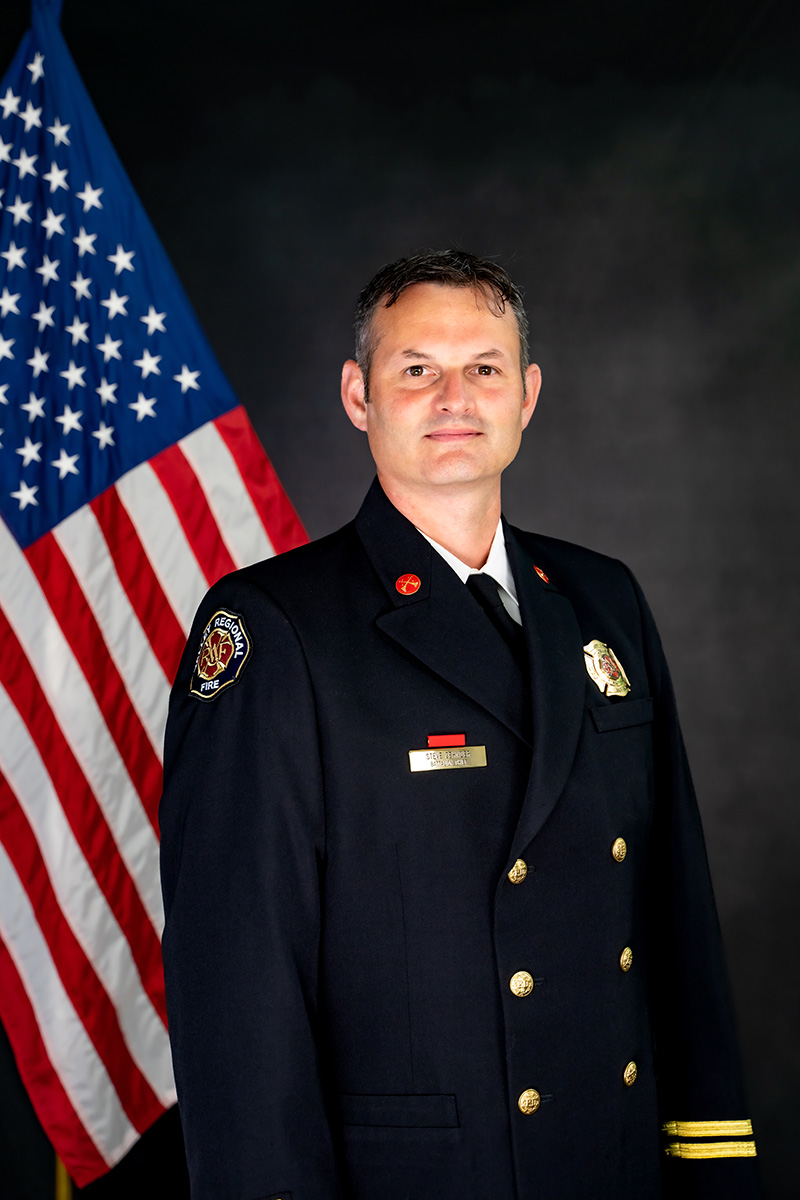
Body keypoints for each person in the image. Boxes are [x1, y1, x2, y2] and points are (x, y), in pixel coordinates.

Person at [159, 250, 759, 1200]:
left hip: (612, 1158)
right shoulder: (275, 627)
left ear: (526, 395)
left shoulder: (603, 599)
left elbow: (672, 902)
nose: (454, 397)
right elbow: (237, 979)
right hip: (424, 1172)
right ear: (359, 397)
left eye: (483, 368)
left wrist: (711, 1154)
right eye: (416, 370)